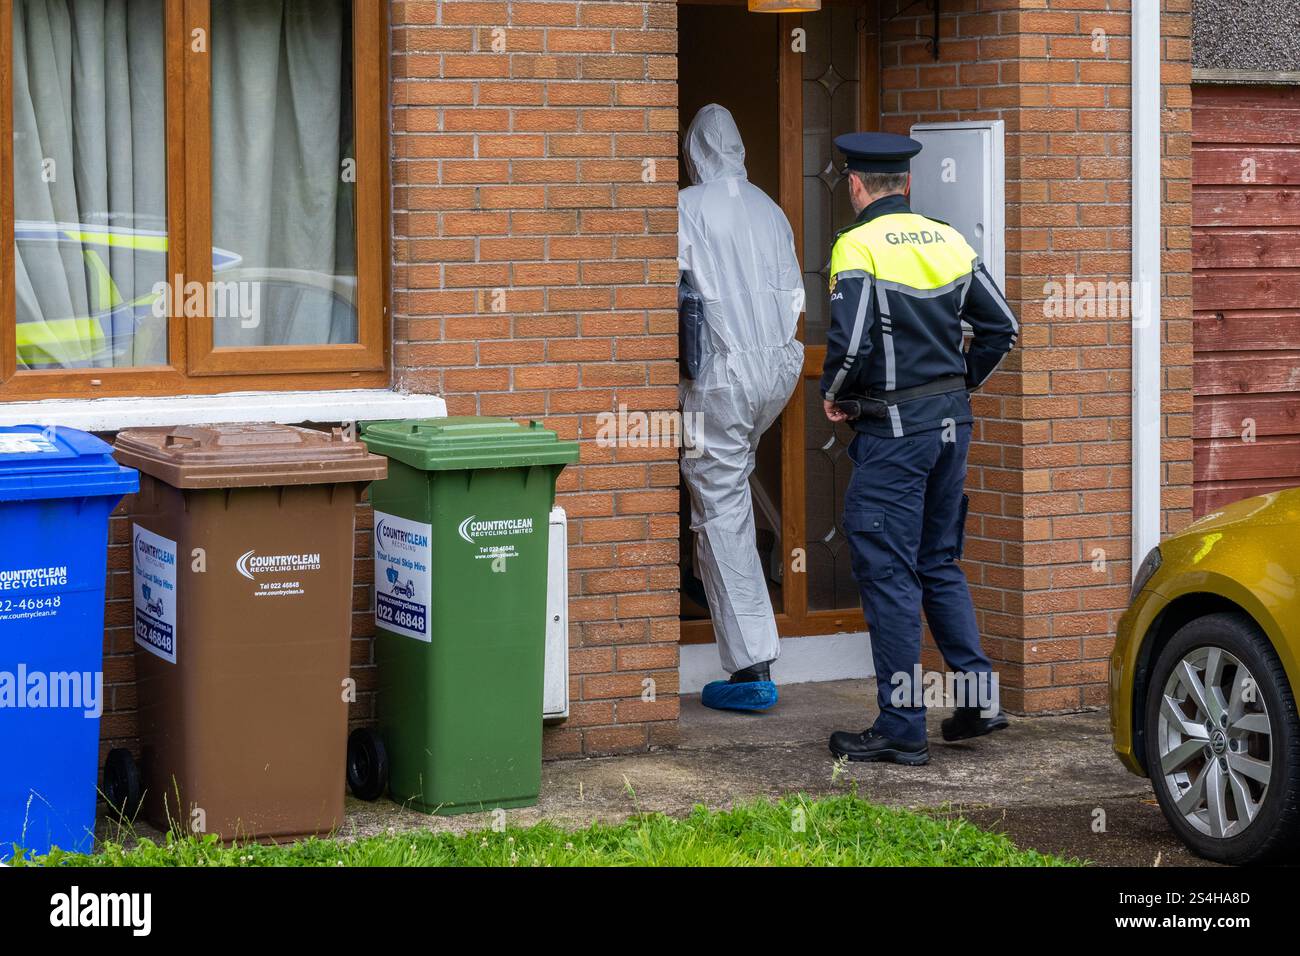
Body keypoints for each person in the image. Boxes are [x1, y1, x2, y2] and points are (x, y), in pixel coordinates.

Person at [821, 132, 1018, 764]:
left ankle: (902, 724)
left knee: (889, 570)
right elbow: (1002, 328)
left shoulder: (857, 246)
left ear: (856, 185)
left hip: (895, 435)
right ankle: (977, 701)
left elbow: (850, 345)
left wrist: (837, 394)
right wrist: (958, 387)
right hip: (950, 428)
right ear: (906, 184)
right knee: (938, 562)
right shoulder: (949, 239)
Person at [677, 104, 805, 712]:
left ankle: (752, 663)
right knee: (734, 481)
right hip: (777, 372)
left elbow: (672, 289)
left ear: (695, 151)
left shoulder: (688, 207)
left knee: (720, 506)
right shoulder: (770, 209)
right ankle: (742, 590)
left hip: (725, 376)